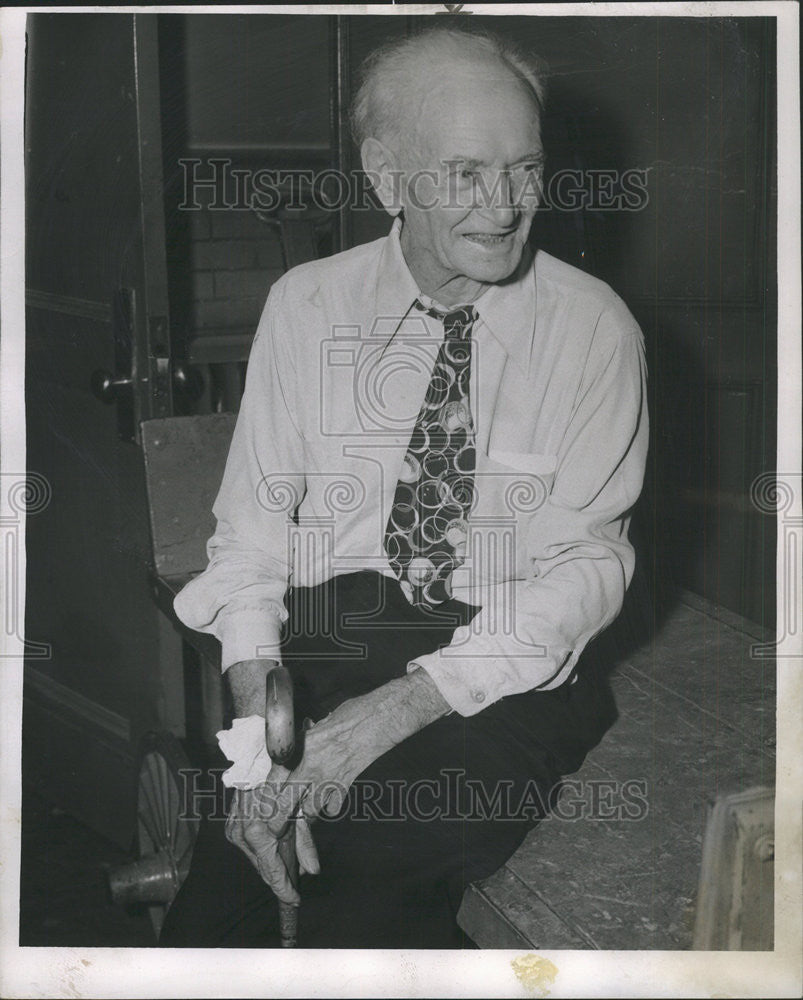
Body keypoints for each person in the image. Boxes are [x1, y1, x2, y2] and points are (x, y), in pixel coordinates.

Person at [161, 24, 648, 949]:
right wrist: (264, 724)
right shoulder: (307, 305)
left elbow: (586, 570)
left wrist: (385, 718)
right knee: (213, 909)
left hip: (507, 670)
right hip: (336, 632)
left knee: (357, 885)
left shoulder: (595, 331)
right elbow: (253, 540)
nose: (505, 207)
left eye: (526, 169)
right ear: (387, 177)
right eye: (467, 173)